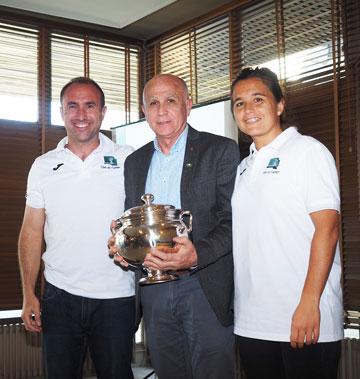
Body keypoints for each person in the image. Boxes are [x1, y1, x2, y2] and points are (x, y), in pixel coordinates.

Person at [111, 73, 240, 379]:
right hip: (154, 290)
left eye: (171, 100)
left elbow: (233, 220)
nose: (161, 110)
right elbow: (136, 222)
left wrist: (196, 255)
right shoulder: (135, 162)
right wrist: (123, 246)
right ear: (144, 111)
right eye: (153, 103)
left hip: (204, 285)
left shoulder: (220, 150)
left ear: (188, 105)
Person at [18, 77, 135, 379]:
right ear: (61, 113)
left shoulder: (128, 159)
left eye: (89, 106)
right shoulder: (43, 165)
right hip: (59, 298)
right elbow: (31, 231)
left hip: (116, 299)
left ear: (103, 112)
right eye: (73, 106)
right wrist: (28, 294)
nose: (81, 115)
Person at [230, 67, 343, 379]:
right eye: (239, 103)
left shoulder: (308, 151)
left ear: (279, 105)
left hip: (304, 318)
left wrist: (309, 302)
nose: (248, 110)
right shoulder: (243, 167)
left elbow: (328, 229)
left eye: (257, 99)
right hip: (253, 322)